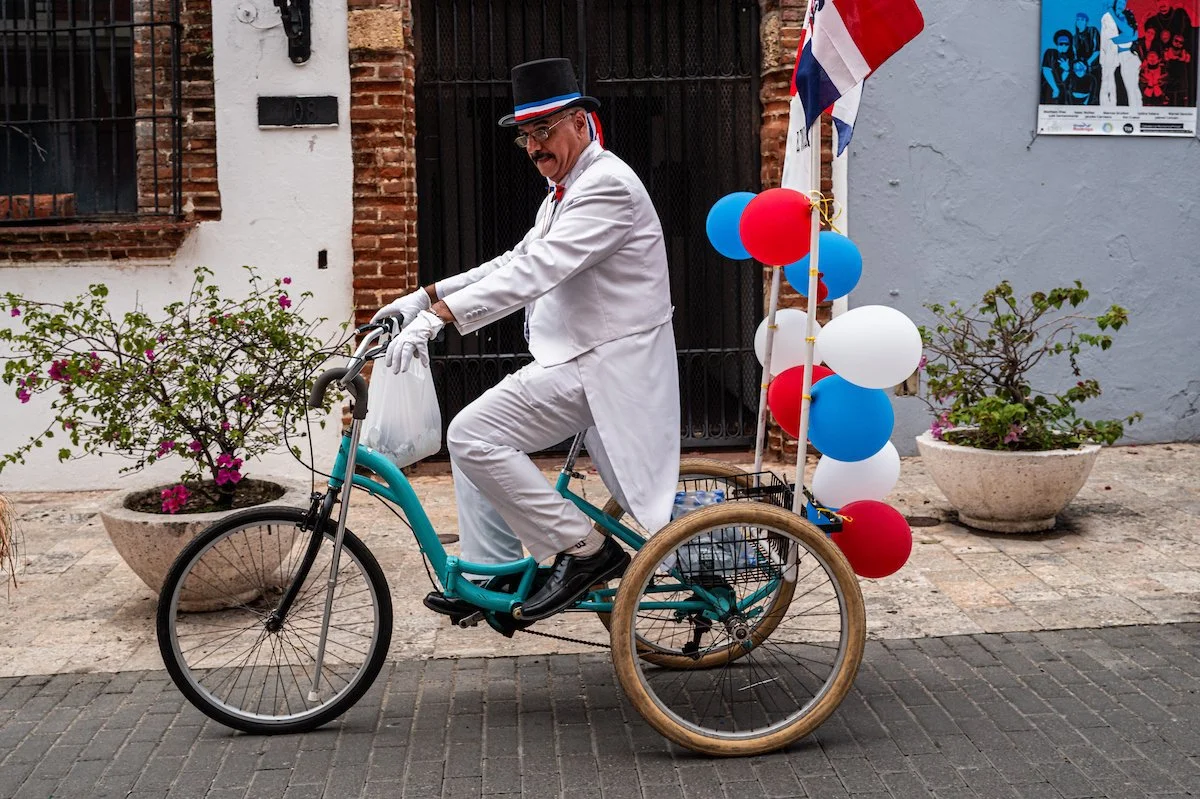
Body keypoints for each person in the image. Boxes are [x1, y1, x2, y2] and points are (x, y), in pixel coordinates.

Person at [372, 58, 680, 621]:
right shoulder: (563, 190)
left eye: (546, 130)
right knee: (472, 445)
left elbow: (536, 271)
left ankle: (584, 550)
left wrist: (438, 317)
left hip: (606, 365)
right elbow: (515, 258)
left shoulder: (606, 185)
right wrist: (423, 296)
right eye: (526, 136)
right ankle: (492, 575)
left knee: (472, 435)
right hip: (575, 358)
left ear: (582, 122)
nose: (535, 145)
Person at [1100, 0, 1143, 106]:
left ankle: (1136, 113)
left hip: (1129, 57)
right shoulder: (1107, 18)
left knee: (1132, 90)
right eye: (1119, 2)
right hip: (1114, 59)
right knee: (1111, 89)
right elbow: (1115, 39)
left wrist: (1130, 36)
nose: (1121, 6)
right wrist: (1130, 37)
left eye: (1123, 3)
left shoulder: (1127, 16)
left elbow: (1132, 33)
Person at [1041, 29, 1074, 104]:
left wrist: (1066, 70)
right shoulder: (1050, 53)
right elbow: (1046, 70)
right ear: (1057, 43)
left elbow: (1062, 79)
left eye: (1066, 44)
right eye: (1061, 43)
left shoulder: (1069, 59)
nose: (1064, 46)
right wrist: (1055, 89)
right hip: (1049, 87)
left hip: (1062, 91)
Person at [1073, 12, 1102, 91]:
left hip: (1094, 67)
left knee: (1096, 89)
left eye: (1082, 20)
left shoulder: (1093, 31)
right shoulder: (1075, 38)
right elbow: (1075, 55)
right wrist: (1080, 66)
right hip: (1081, 70)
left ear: (1086, 22)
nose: (1080, 21)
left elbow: (1097, 50)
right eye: (1078, 20)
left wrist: (1087, 63)